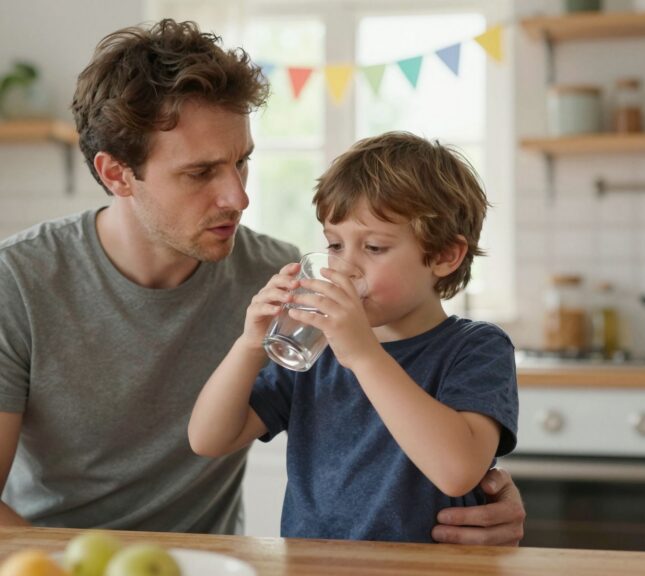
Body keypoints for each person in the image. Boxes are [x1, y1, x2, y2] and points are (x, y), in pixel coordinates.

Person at [0, 19, 524, 543]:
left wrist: (489, 497)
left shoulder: (287, 285)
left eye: (243, 162)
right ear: (116, 174)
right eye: (201, 172)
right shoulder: (17, 282)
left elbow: (441, 456)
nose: (239, 198)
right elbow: (209, 436)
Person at [188, 131, 519, 543]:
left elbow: (457, 471)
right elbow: (208, 438)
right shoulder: (318, 348)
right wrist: (249, 344)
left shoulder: (476, 348)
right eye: (335, 245)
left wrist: (364, 354)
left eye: (375, 247)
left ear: (444, 256)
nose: (346, 268)